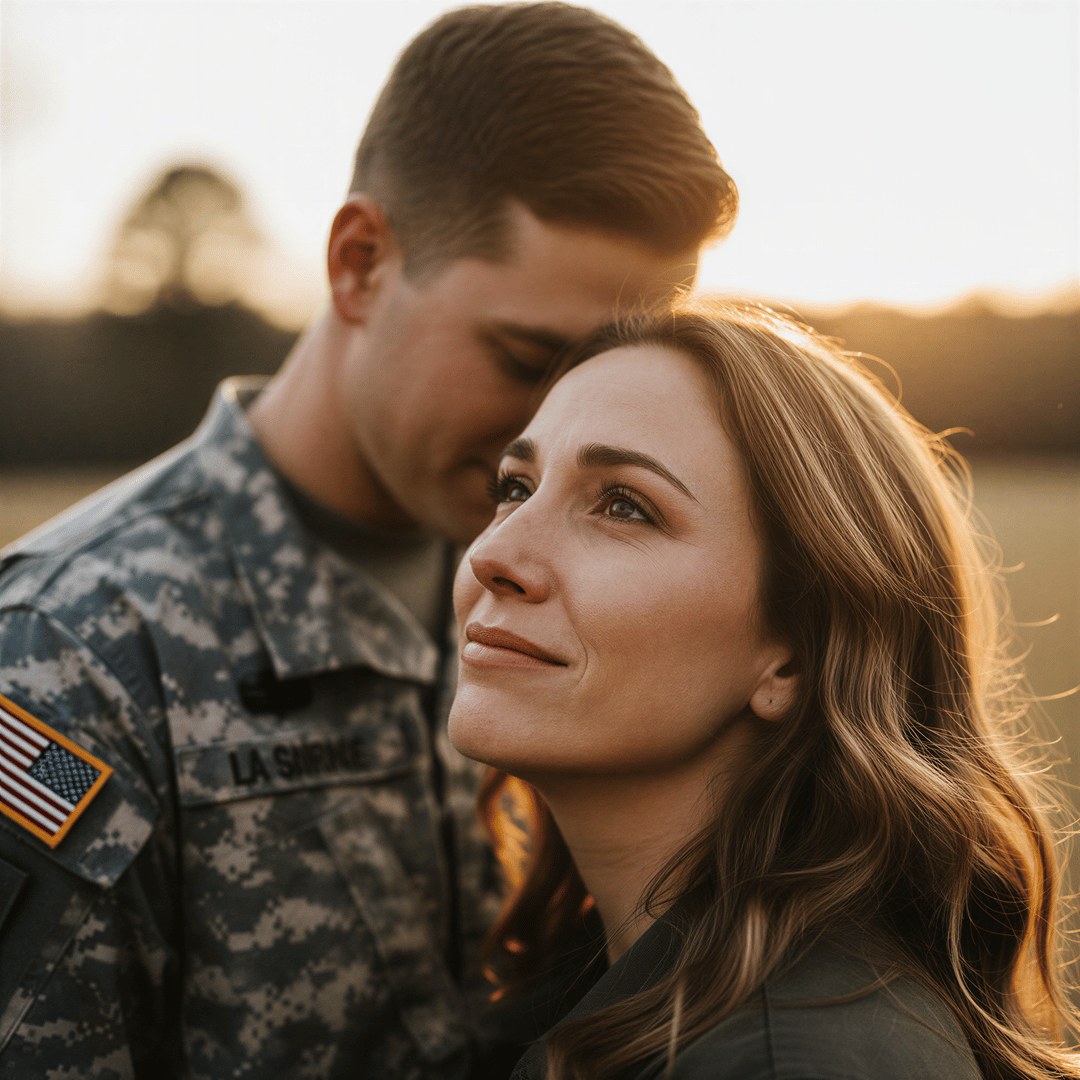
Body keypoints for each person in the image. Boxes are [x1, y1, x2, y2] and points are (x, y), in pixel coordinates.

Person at [0, 5, 737, 1077]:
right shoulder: (69, 651)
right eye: (525, 353)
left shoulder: (616, 595)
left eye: (615, 369)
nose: (565, 420)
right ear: (359, 263)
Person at [447, 298, 1080, 1079]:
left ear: (794, 656)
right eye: (513, 487)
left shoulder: (798, 1060)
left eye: (623, 505)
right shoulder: (609, 980)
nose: (494, 553)